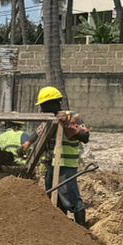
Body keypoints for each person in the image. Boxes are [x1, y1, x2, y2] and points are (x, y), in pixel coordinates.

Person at [24, 85, 91, 227]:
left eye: (43, 105)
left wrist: (67, 125)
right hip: (50, 164)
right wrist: (27, 143)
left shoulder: (72, 116)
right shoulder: (48, 118)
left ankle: (82, 227)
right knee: (53, 198)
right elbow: (38, 132)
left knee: (69, 196)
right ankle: (61, 228)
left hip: (65, 163)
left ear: (53, 103)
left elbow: (85, 137)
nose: (41, 109)